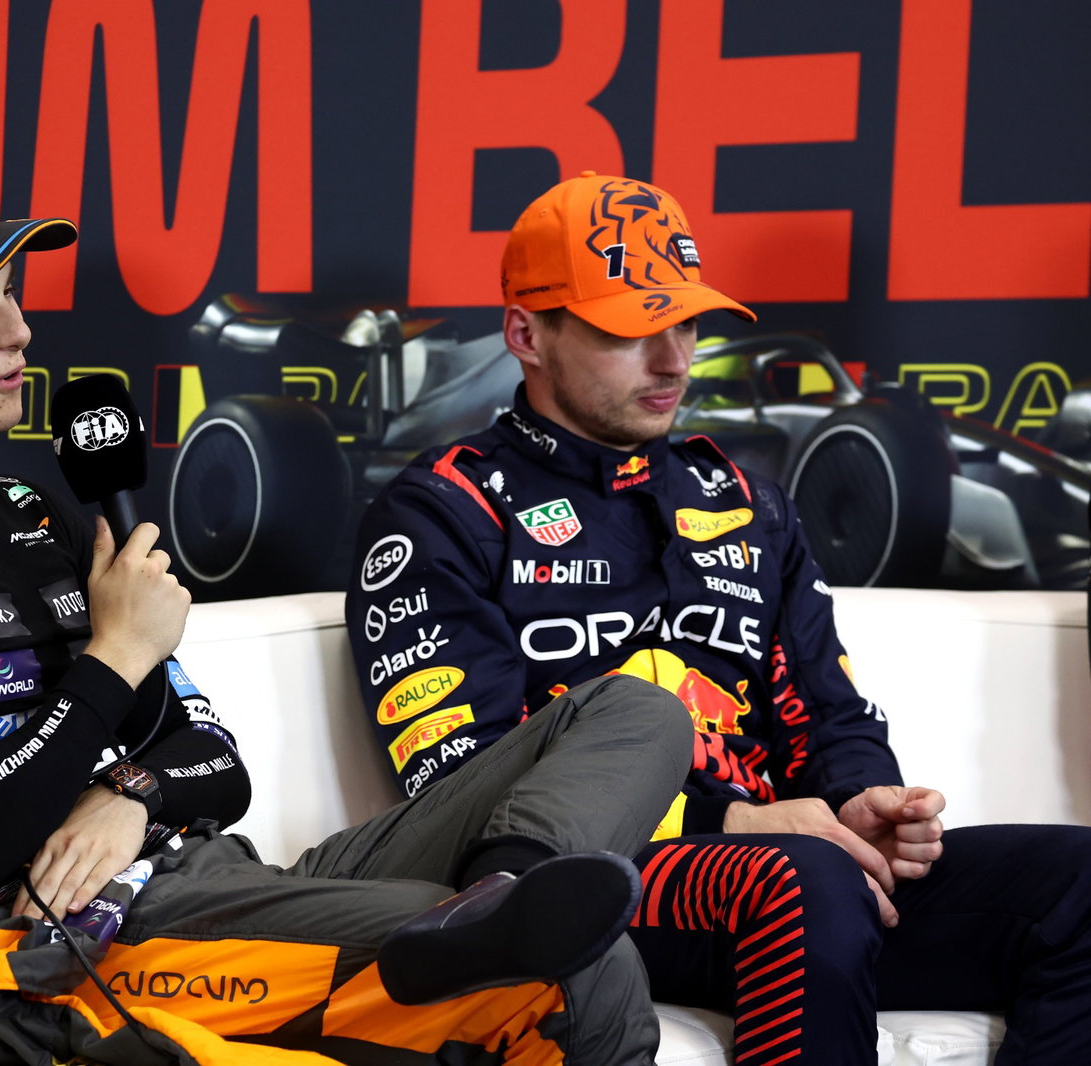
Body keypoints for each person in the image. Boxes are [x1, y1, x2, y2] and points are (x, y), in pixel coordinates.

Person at [0, 165, 696, 1065]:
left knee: (638, 710)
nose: (18, 331)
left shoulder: (35, 512)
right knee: (588, 969)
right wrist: (115, 659)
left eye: (9, 295)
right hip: (70, 942)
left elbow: (215, 763)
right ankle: (497, 936)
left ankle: (501, 895)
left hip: (216, 878)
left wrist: (133, 795)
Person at [346, 171, 1091, 1066]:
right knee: (805, 880)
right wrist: (733, 823)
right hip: (592, 873)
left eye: (687, 324)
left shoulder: (745, 502)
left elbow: (829, 711)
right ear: (526, 334)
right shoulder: (443, 512)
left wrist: (863, 800)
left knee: (1076, 885)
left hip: (791, 870)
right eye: (631, 331)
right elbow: (464, 786)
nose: (673, 361)